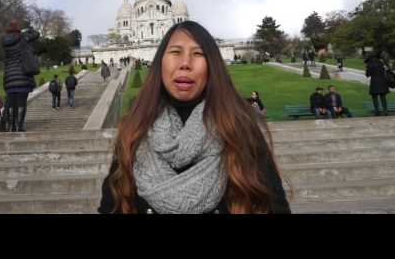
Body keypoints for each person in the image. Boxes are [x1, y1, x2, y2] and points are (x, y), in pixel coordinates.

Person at [98, 21, 290, 214]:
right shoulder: (134, 130)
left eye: (198, 54)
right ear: (159, 62)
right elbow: (111, 206)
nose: (185, 63)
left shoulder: (240, 127)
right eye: (175, 52)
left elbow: (275, 206)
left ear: (212, 65)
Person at [2, 20, 40, 132]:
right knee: (21, 102)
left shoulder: (4, 41)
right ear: (18, 29)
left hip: (9, 76)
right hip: (23, 75)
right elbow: (36, 34)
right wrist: (29, 29)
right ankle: (19, 125)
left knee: (11, 103)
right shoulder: (23, 38)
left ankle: (11, 125)